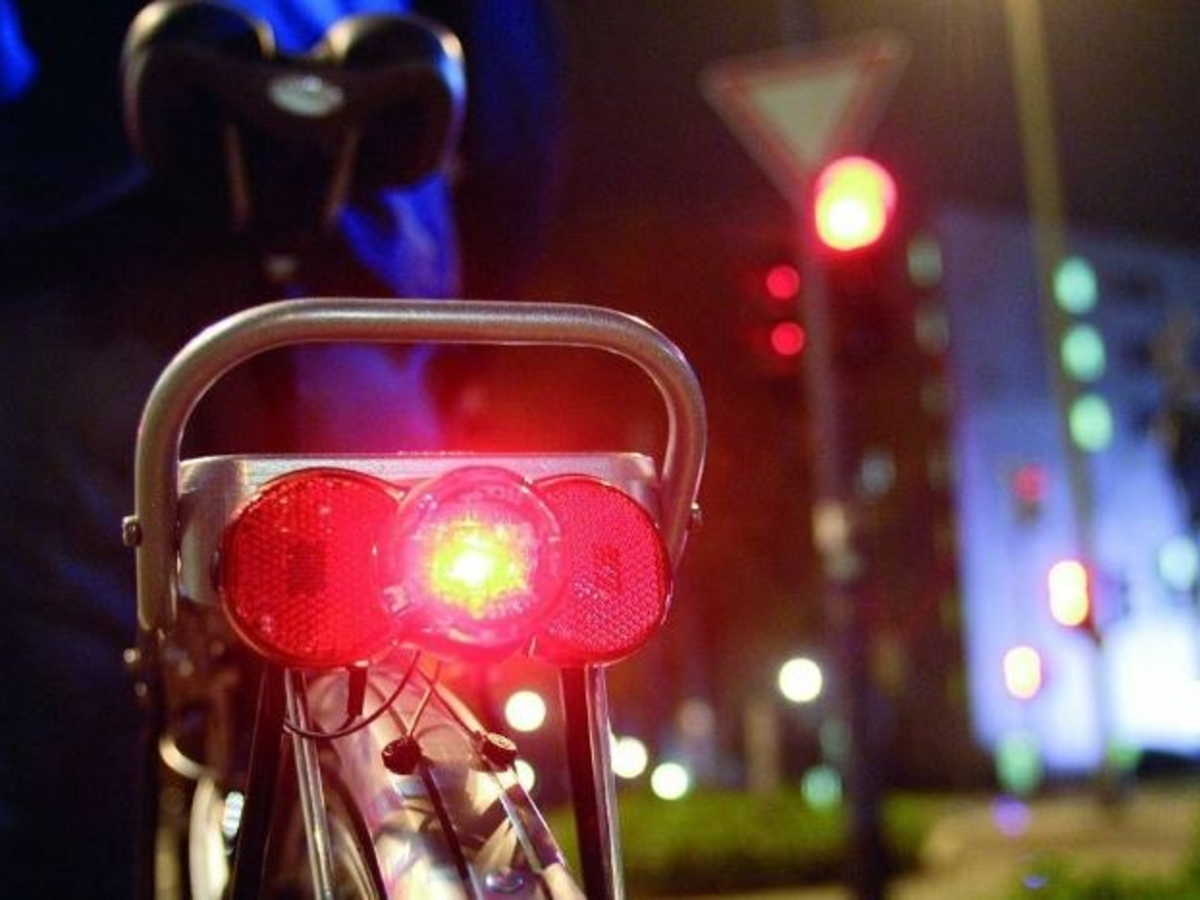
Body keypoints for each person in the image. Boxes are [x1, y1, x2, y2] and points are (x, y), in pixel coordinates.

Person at [0, 0, 563, 894]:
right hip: (365, 292)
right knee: (404, 649)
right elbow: (511, 101)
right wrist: (465, 352)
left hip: (86, 276)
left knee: (79, 689)